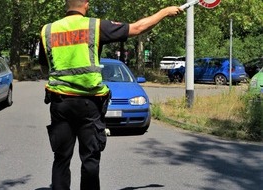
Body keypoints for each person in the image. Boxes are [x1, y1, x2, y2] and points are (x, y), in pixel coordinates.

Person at [39, 0, 182, 189]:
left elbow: (44, 67)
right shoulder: (94, 26)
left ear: (67, 5)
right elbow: (137, 28)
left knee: (61, 159)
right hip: (88, 104)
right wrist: (164, 12)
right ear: (86, 5)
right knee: (90, 159)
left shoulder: (48, 30)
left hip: (60, 103)